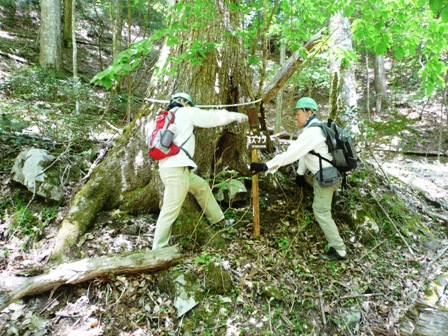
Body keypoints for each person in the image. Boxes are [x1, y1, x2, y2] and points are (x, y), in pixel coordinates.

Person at [250, 97, 348, 262]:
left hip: (327, 178)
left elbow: (291, 154)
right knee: (322, 208)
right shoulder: (316, 130)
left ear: (309, 113)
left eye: (297, 113)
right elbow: (306, 154)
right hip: (327, 174)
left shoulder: (312, 133)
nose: (296, 117)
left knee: (321, 211)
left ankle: (340, 251)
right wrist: (300, 174)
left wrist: (266, 166)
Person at [151, 92, 248, 250]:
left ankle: (219, 220)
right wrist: (233, 115)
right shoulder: (185, 111)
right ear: (183, 102)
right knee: (170, 211)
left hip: (173, 169)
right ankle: (158, 250)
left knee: (202, 186)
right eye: (189, 104)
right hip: (177, 171)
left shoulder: (169, 117)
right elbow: (210, 117)